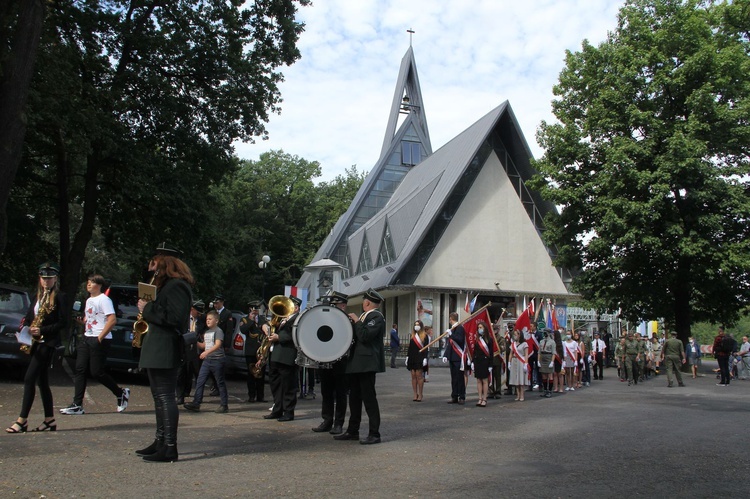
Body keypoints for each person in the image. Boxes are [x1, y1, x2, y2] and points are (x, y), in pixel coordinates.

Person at [135, 244, 193, 462]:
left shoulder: (178, 286)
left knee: (165, 397)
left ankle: (169, 446)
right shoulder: (168, 285)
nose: (153, 266)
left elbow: (175, 318)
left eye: (156, 262)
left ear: (166, 263)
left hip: (165, 347)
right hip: (157, 346)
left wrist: (146, 309)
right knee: (159, 397)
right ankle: (160, 441)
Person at [6, 263, 68, 433]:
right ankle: (50, 420)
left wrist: (42, 330)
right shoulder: (37, 296)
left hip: (47, 343)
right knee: (42, 382)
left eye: (49, 278)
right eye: (43, 278)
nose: (46, 281)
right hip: (34, 342)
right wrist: (25, 327)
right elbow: (28, 317)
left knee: (29, 379)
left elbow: (63, 322)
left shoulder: (60, 297)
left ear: (55, 279)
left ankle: (22, 421)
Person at [60, 274, 130, 416]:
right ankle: (77, 405)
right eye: (88, 282)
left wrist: (99, 338)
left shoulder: (104, 300)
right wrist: (83, 321)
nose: (89, 285)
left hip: (100, 340)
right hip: (87, 337)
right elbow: (91, 318)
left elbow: (112, 320)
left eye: (92, 282)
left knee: (96, 372)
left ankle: (120, 393)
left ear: (99, 285)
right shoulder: (89, 300)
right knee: (80, 369)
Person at [335, 288, 385, 445]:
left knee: (369, 399)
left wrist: (357, 321)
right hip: (357, 363)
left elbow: (364, 336)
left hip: (367, 364)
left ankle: (374, 433)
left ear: (367, 302)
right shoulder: (366, 316)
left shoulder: (376, 317)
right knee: (355, 399)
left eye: (364, 300)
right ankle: (352, 430)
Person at [312, 291, 350, 435]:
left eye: (336, 305)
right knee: (326, 392)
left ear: (343, 306)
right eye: (332, 305)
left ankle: (338, 423)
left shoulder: (348, 321)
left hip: (341, 362)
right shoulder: (326, 321)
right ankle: (327, 420)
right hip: (326, 360)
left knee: (340, 393)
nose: (333, 307)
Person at [184, 310, 229, 413]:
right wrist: (194, 341)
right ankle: (196, 402)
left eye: (210, 319)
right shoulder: (207, 332)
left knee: (220, 382)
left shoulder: (218, 331)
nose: (207, 321)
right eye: (207, 319)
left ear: (216, 320)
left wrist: (206, 352)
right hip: (207, 360)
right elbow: (204, 345)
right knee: (200, 381)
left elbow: (218, 345)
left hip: (217, 360)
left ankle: (224, 405)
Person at [264, 295, 301, 422]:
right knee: (276, 384)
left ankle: (289, 412)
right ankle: (277, 409)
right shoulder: (282, 319)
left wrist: (279, 337)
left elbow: (297, 335)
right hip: (276, 355)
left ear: (296, 308)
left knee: (288, 386)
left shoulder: (298, 319)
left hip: (287, 356)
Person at [176, 300, 205, 405]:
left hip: (196, 350)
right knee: (181, 373)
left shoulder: (202, 320)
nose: (199, 314)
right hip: (184, 348)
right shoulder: (183, 319)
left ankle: (197, 397)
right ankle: (180, 396)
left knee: (198, 373)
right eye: (198, 312)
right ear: (192, 309)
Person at [240, 301, 266, 403]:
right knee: (251, 373)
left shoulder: (262, 319)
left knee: (261, 374)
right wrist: (251, 321)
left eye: (257, 309)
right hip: (250, 350)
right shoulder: (245, 319)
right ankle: (251, 396)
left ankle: (261, 396)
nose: (255, 311)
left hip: (261, 350)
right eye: (253, 309)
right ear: (250, 309)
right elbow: (243, 330)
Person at [442, 312, 466, 405]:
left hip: (458, 357)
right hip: (452, 357)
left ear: (451, 319)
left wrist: (451, 334)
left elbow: (460, 340)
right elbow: (450, 344)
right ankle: (454, 396)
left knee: (460, 378)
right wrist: (446, 355)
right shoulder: (453, 329)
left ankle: (462, 397)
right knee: (454, 378)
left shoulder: (459, 328)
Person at [472, 321, 494, 407]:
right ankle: (479, 398)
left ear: (485, 328)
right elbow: (475, 351)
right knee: (478, 380)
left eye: (481, 327)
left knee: (485, 380)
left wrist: (490, 365)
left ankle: (485, 399)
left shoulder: (489, 339)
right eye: (478, 328)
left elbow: (491, 353)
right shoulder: (477, 339)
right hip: (478, 361)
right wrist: (473, 361)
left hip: (485, 362)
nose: (479, 329)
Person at [406, 320, 428, 401]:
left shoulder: (424, 336)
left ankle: (421, 394)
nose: (416, 326)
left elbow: (426, 348)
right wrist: (407, 357)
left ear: (421, 326)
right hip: (412, 357)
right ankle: (415, 394)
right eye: (415, 325)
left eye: (418, 325)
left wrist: (425, 358)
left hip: (420, 357)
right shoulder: (413, 336)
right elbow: (410, 348)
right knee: (413, 376)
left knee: (419, 375)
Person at [508, 329, 528, 401]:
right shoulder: (513, 344)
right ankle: (518, 395)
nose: (514, 336)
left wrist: (526, 363)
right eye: (514, 334)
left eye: (516, 334)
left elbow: (526, 354)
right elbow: (511, 353)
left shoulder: (525, 344)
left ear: (520, 335)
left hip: (521, 362)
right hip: (514, 361)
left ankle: (522, 395)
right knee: (515, 379)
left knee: (521, 378)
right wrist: (509, 362)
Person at [538, 328, 555, 397]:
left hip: (549, 357)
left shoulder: (552, 342)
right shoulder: (541, 341)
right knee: (544, 375)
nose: (544, 334)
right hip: (542, 357)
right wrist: (538, 361)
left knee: (550, 375)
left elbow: (553, 353)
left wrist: (552, 362)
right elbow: (539, 352)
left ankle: (550, 391)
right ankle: (545, 390)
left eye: (545, 332)